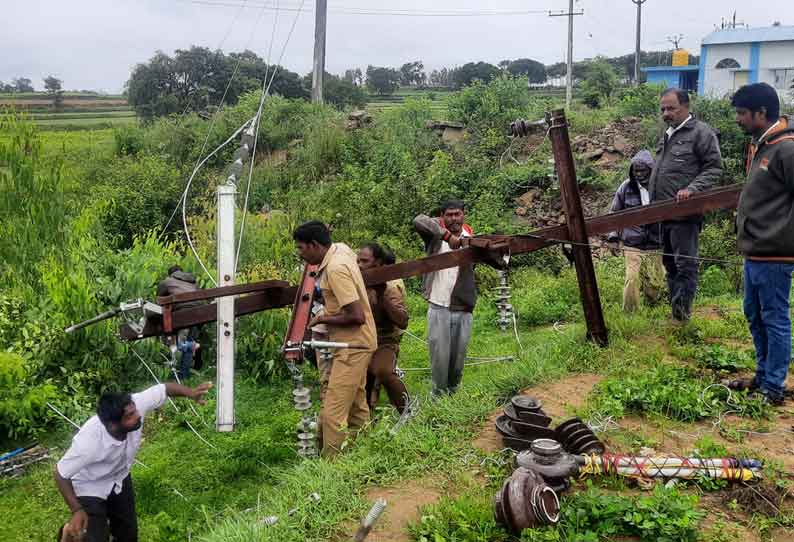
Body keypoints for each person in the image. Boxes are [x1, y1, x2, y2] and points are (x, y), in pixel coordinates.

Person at [54, 382, 212, 542]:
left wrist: (190, 393)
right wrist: (77, 509)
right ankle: (69, 533)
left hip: (119, 478)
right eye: (129, 416)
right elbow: (60, 474)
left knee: (128, 534)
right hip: (89, 485)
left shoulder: (135, 405)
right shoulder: (88, 443)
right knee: (95, 538)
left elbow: (165, 389)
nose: (137, 415)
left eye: (134, 410)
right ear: (112, 424)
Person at [731, 82, 794, 406]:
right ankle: (763, 373)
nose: (738, 119)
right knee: (754, 313)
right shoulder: (761, 145)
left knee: (774, 316)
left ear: (761, 113)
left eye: (742, 113)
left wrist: (781, 234)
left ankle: (774, 385)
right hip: (755, 252)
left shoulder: (786, 148)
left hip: (775, 253)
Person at [293, 221, 377, 456]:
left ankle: (332, 469)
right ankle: (367, 454)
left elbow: (356, 315)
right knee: (357, 405)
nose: (299, 254)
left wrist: (323, 317)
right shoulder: (340, 249)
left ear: (315, 245)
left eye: (301, 248)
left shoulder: (335, 269)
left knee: (332, 414)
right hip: (357, 342)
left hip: (354, 345)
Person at [648, 88, 723, 321]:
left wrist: (692, 189)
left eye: (671, 108)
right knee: (669, 263)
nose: (666, 113)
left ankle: (682, 317)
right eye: (663, 109)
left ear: (686, 106)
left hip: (685, 215)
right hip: (664, 214)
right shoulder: (668, 134)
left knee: (685, 265)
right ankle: (676, 313)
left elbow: (714, 168)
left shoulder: (701, 133)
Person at [414, 199, 476, 396]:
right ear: (442, 217)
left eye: (457, 214)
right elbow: (419, 220)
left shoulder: (471, 236)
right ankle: (438, 396)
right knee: (440, 356)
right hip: (438, 304)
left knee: (458, 356)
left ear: (464, 214)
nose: (454, 218)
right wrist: (447, 236)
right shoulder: (434, 236)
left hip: (462, 305)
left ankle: (454, 394)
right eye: (449, 215)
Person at [607, 150, 665, 312]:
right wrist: (613, 238)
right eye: (636, 171)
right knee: (632, 278)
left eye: (642, 171)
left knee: (654, 282)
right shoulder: (626, 187)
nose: (639, 174)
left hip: (656, 242)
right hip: (632, 242)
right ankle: (630, 314)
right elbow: (614, 214)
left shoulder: (661, 186)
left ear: (651, 169)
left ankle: (652, 309)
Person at [357, 242, 410, 414]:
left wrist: (381, 296)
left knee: (383, 370)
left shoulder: (391, 286)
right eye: (358, 261)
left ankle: (407, 411)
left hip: (385, 340)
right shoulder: (357, 282)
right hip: (361, 339)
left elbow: (402, 321)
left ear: (378, 263)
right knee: (361, 381)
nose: (359, 265)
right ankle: (366, 420)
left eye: (364, 261)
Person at [157, 266, 202, 379]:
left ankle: (194, 346)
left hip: (182, 315)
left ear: (170, 274)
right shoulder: (193, 283)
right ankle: (184, 375)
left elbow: (158, 301)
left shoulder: (166, 282)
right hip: (200, 314)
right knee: (189, 340)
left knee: (178, 344)